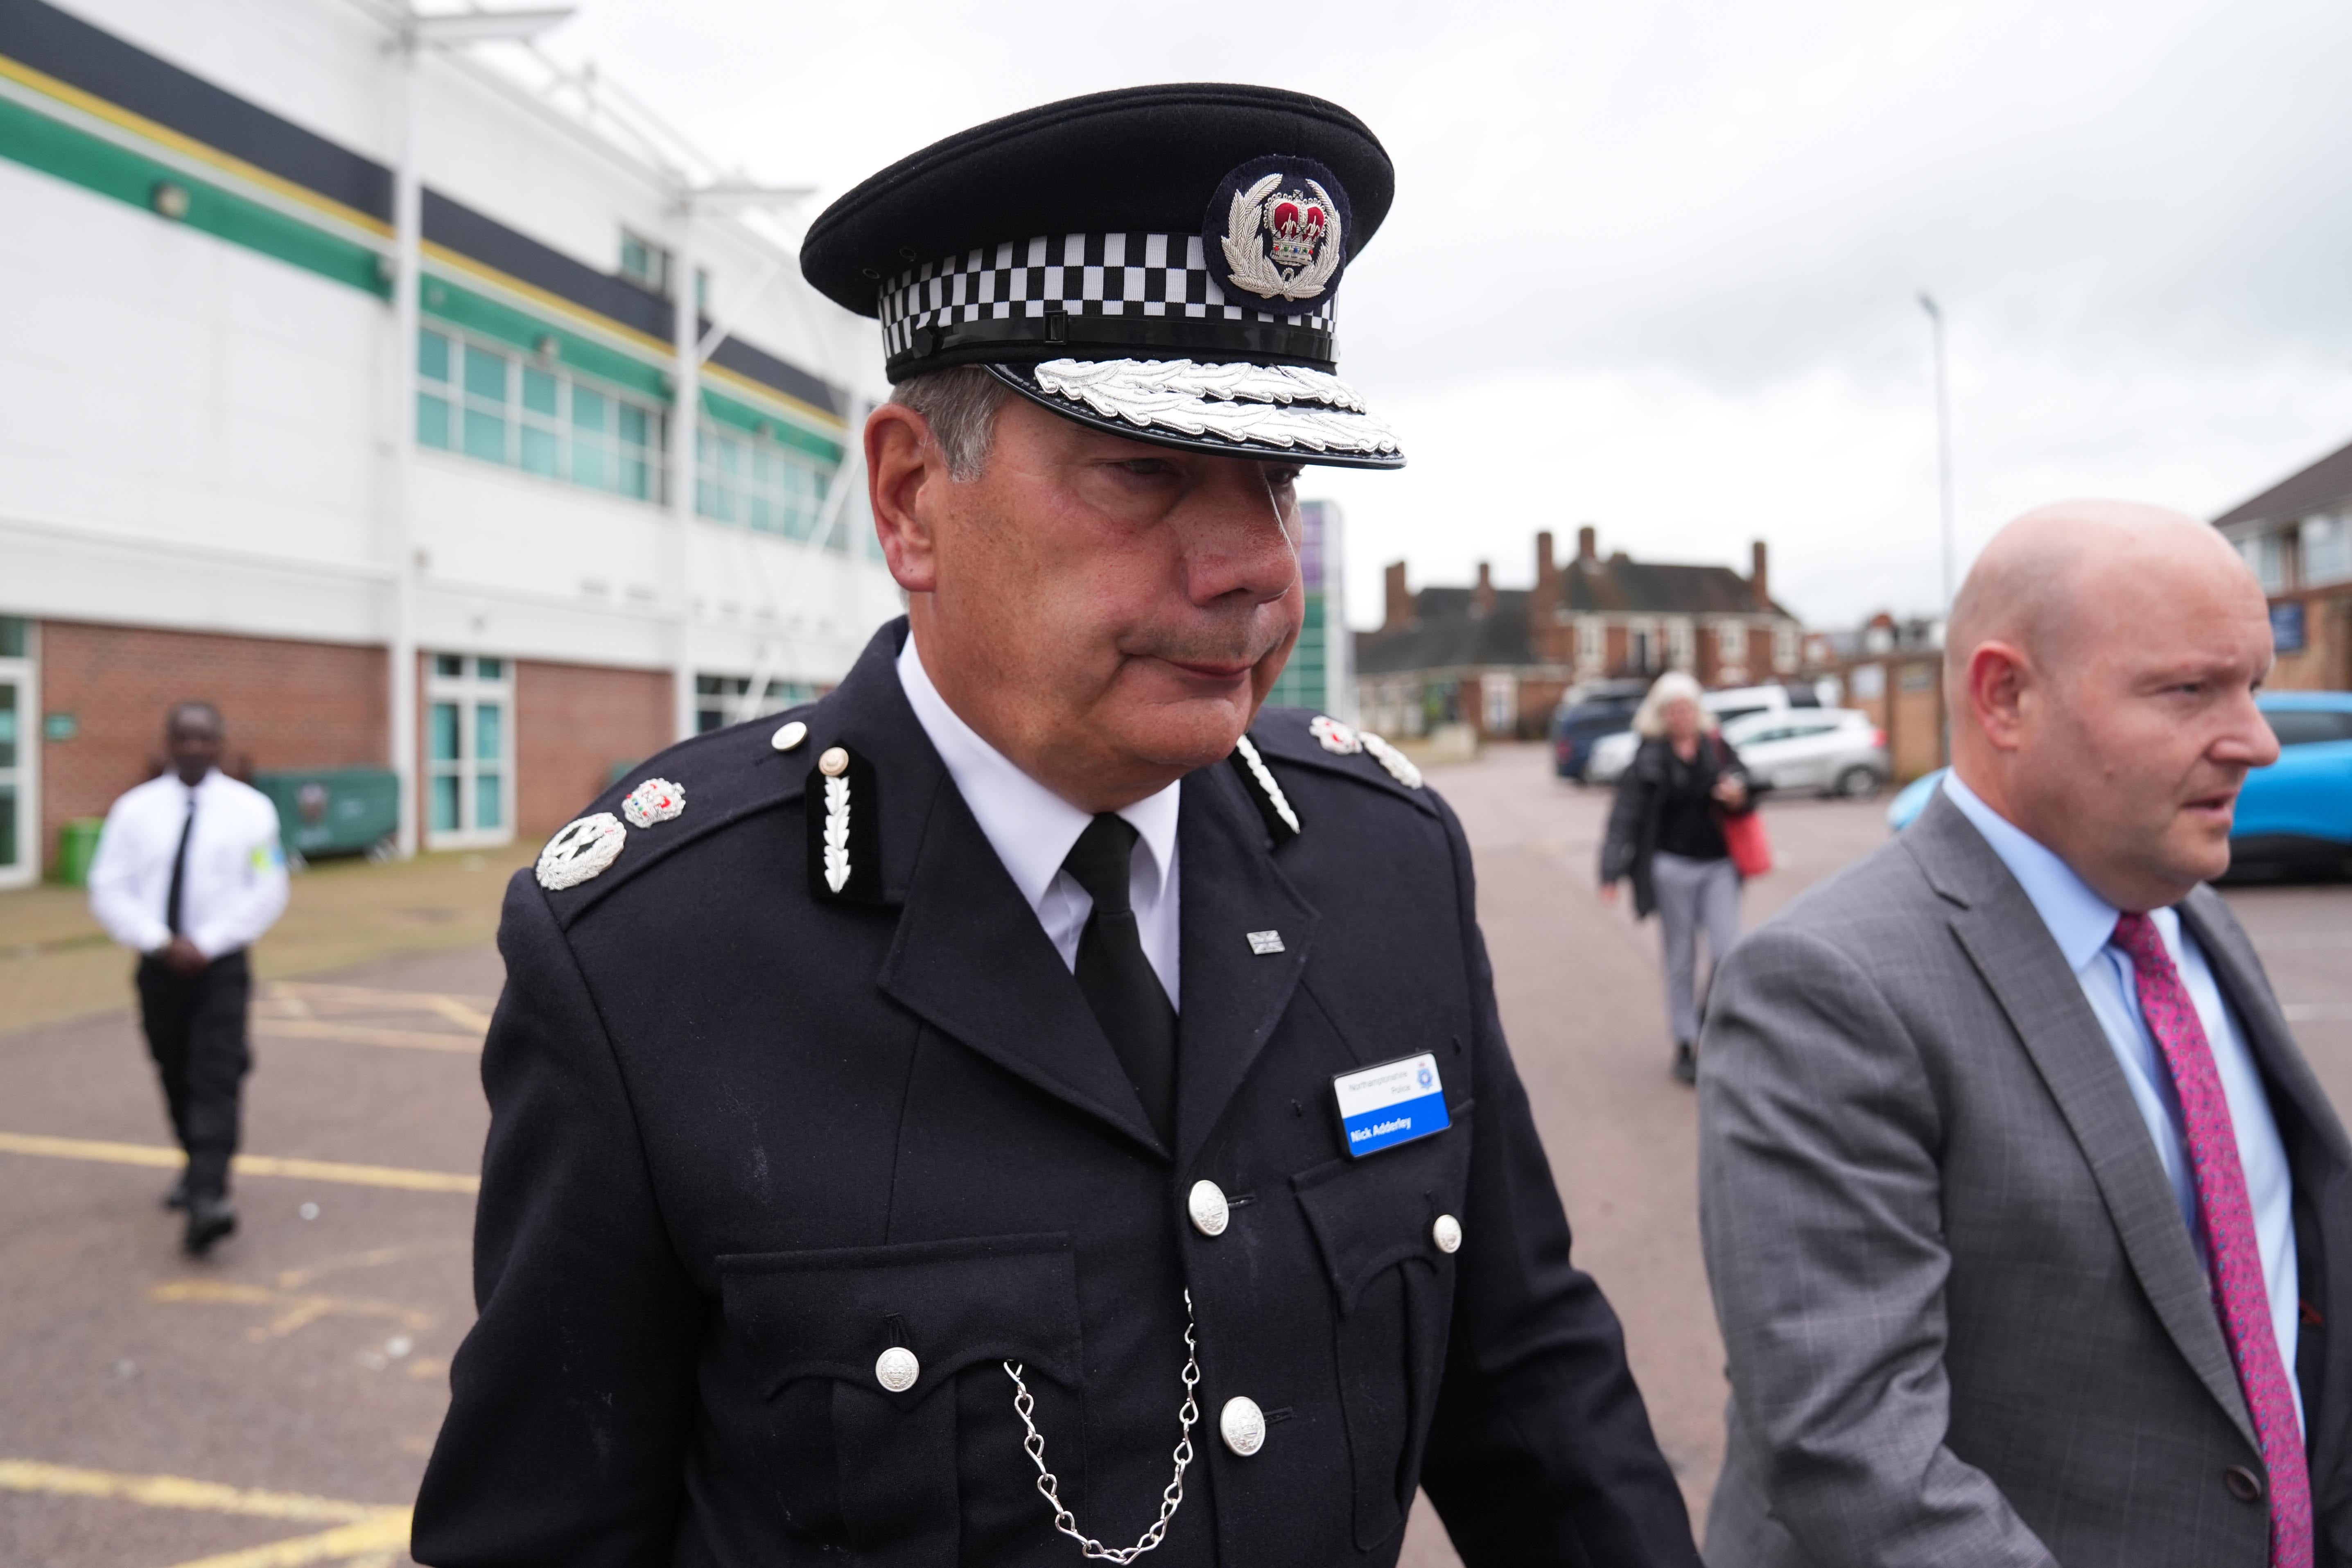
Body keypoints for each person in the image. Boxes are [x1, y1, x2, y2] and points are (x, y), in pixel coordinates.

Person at [413, 85, 1700, 1567]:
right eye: (1145, 471)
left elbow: (1533, 1391)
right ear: (911, 498)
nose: (1251, 569)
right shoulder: (658, 953)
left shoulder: (1381, 860)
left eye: (1273, 483)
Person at [1698, 499, 2352, 1566]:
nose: (2259, 741)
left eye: (2254, 687)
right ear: (2005, 695)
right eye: (2189, 688)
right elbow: (1853, 1449)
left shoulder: (2195, 923)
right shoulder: (1827, 984)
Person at [87, 701, 288, 1254]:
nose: (194, 747)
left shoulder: (251, 811)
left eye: (204, 738)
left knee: (215, 1073)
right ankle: (195, 1163)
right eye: (184, 737)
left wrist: (208, 942)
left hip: (220, 967)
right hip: (158, 967)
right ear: (167, 743)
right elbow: (108, 885)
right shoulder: (135, 811)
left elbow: (267, 888)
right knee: (172, 1066)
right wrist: (158, 941)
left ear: (220, 743)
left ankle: (209, 1197)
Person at [1600, 671, 1753, 1084]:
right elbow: (1625, 815)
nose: (1681, 716)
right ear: (1662, 716)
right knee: (1680, 958)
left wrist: (1739, 795)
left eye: (1687, 707)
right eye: (1673, 710)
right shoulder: (1649, 757)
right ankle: (1686, 1043)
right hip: (1672, 868)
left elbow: (1750, 784)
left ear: (1696, 710)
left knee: (1727, 952)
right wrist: (1610, 869)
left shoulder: (1717, 746)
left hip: (1720, 865)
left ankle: (1709, 1014)